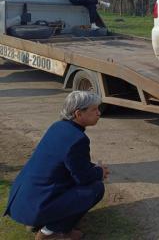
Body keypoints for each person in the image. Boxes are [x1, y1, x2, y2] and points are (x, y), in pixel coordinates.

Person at [4, 91, 109, 240]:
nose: (99, 113)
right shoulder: (78, 139)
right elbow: (83, 178)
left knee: (81, 182)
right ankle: (50, 232)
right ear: (78, 114)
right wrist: (99, 172)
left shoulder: (58, 126)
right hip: (36, 206)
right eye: (94, 109)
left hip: (22, 203)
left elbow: (70, 163)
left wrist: (94, 169)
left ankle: (40, 220)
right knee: (96, 188)